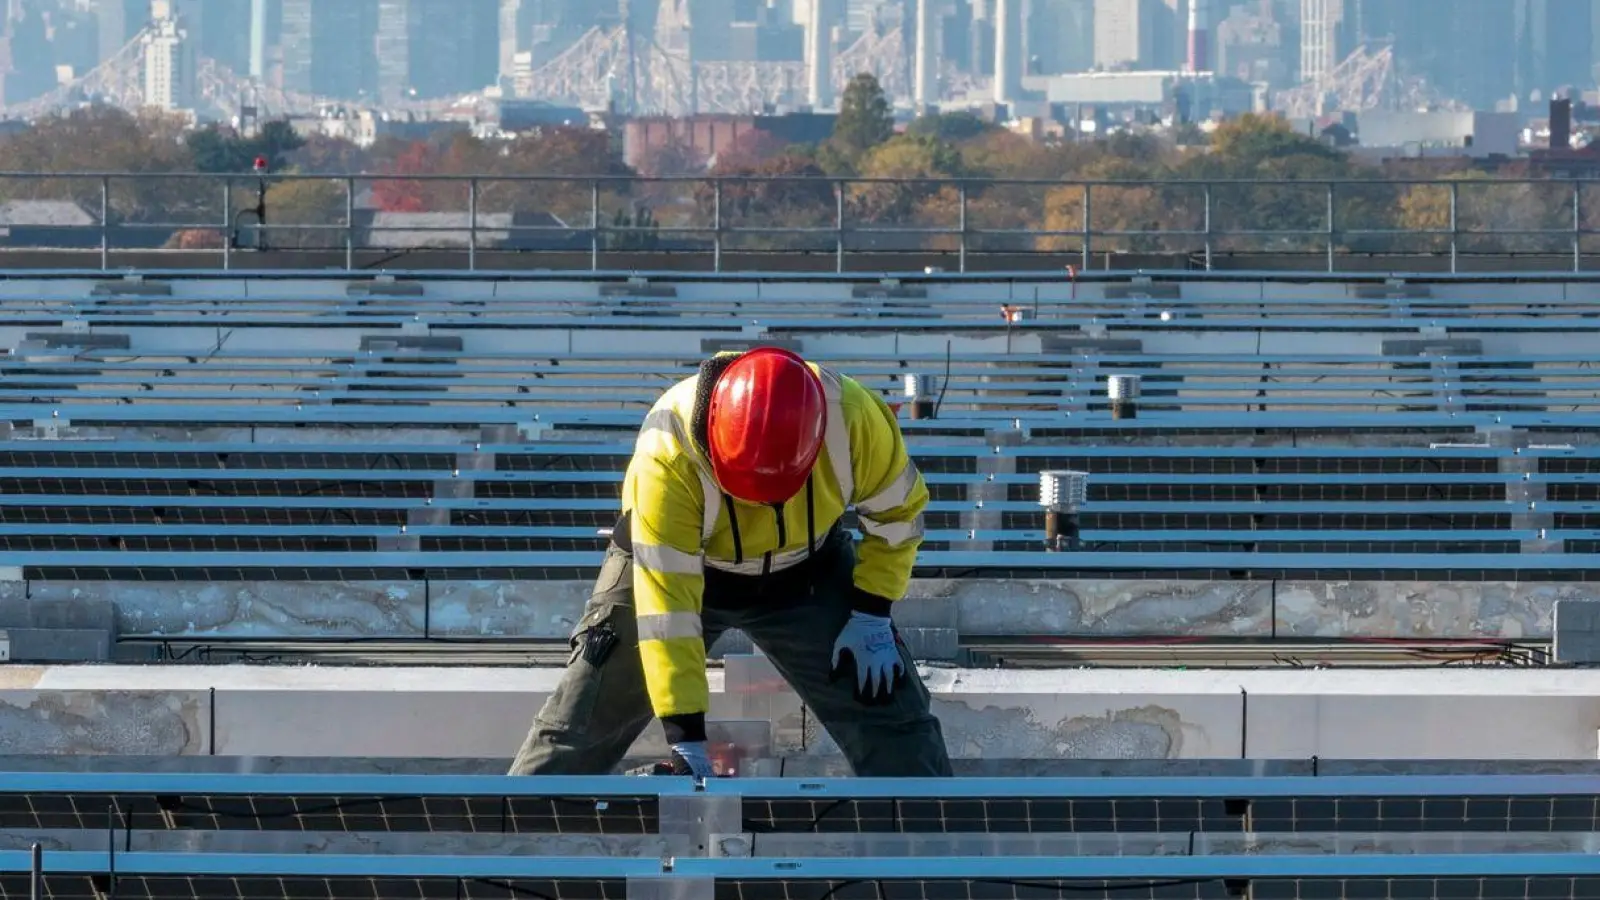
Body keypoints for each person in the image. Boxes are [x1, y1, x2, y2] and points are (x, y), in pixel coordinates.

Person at [508, 346, 953, 778]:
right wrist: (686, 736)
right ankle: (514, 838)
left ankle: (935, 841)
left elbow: (899, 517)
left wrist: (871, 612)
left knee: (894, 720)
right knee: (580, 721)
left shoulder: (856, 419)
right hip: (682, 570)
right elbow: (669, 614)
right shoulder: (668, 454)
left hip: (808, 571)